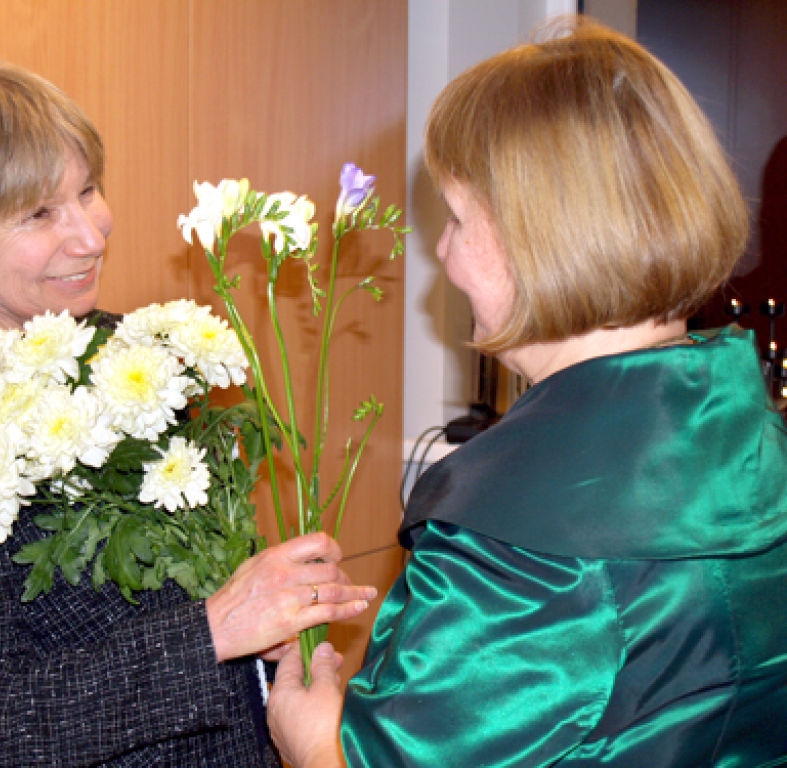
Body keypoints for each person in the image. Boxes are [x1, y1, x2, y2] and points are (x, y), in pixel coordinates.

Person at [268, 18, 787, 767]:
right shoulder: (756, 444)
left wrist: (311, 739)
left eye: (455, 219)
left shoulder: (524, 548)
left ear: (540, 235)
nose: (442, 254)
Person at [0, 61, 375, 768]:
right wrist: (213, 630)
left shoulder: (128, 352)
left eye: (87, 190)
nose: (91, 235)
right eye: (39, 214)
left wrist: (270, 654)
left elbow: (174, 608)